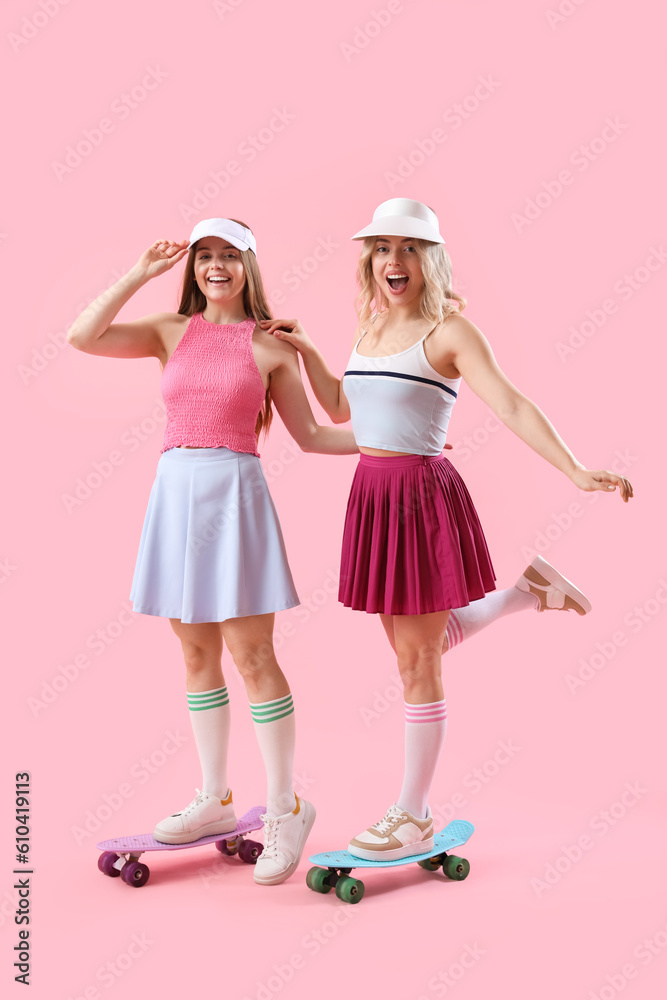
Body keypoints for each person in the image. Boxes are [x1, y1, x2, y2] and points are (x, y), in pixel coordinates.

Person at [259, 197, 634, 862]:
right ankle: (527, 591)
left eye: (407, 248)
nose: (392, 260)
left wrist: (574, 469)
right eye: (381, 248)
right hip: (372, 495)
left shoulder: (451, 332)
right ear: (369, 260)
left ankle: (412, 814)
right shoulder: (368, 328)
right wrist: (312, 350)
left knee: (416, 658)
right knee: (419, 648)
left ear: (428, 258)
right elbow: (348, 408)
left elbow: (512, 402)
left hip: (419, 501)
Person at [66, 217, 358, 885]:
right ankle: (215, 798)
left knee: (253, 655)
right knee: (196, 652)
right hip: (175, 495)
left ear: (250, 266)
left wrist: (396, 439)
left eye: (229, 256)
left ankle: (286, 806)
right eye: (205, 257)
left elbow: (315, 434)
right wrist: (140, 272)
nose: (215, 266)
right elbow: (82, 336)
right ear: (193, 267)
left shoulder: (270, 346)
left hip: (234, 495)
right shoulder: (170, 332)